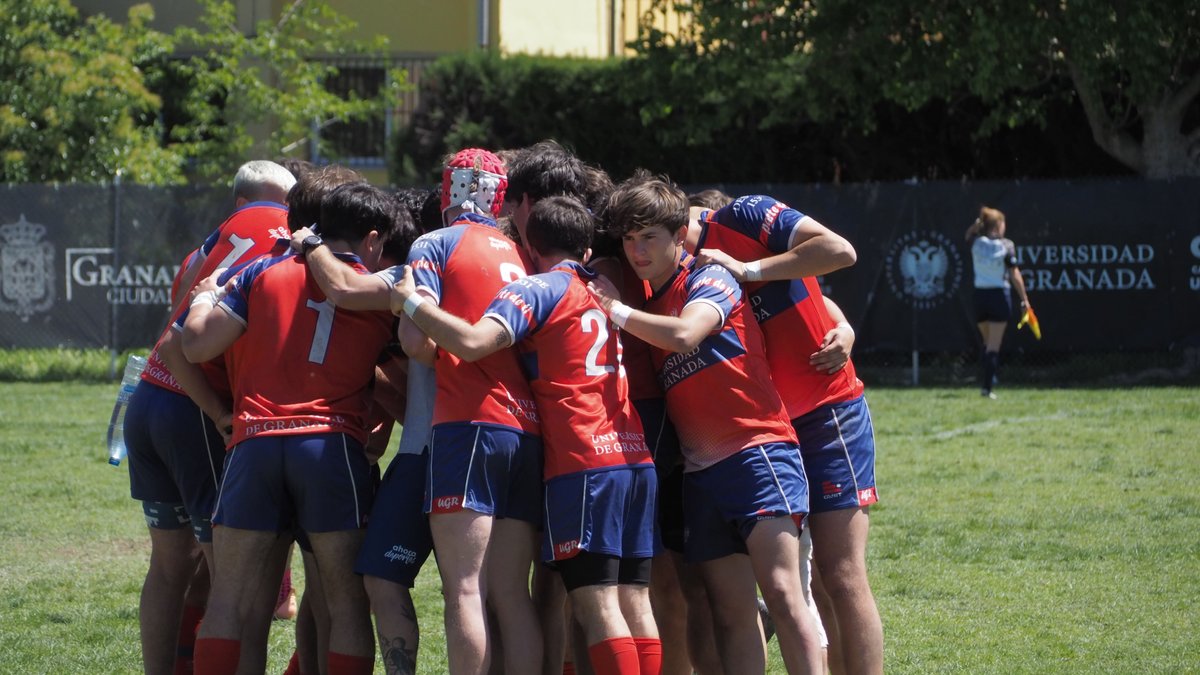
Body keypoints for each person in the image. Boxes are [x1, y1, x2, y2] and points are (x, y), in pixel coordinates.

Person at [291, 148, 543, 675]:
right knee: (507, 593)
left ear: (446, 192)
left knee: (456, 590)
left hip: (448, 439)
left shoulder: (430, 251)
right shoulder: (525, 258)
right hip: (520, 433)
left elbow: (356, 297)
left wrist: (310, 242)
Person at [391, 195, 663, 675]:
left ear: (531, 247)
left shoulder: (541, 287)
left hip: (584, 461)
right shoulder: (600, 286)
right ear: (585, 248)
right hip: (634, 454)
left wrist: (410, 300)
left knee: (596, 605)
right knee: (633, 599)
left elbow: (474, 343)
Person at [591, 174, 825, 674]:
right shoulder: (650, 306)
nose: (637, 250)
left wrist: (614, 309)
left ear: (680, 235)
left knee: (784, 595)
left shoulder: (711, 277)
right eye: (629, 239)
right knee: (730, 614)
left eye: (648, 237)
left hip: (758, 453)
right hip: (701, 474)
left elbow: (684, 334)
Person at [182, 182, 398, 675]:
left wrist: (203, 298)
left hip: (255, 444)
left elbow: (195, 347)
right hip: (330, 447)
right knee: (345, 605)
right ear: (371, 239)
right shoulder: (384, 286)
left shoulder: (260, 270)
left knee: (228, 600)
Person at [688, 194, 882, 675]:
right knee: (801, 581)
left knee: (839, 574)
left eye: (646, 234)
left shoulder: (742, 215)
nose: (637, 250)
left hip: (824, 411)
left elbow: (839, 252)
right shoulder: (665, 265)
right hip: (763, 433)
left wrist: (747, 269)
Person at [123, 159, 294, 675]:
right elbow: (182, 346)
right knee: (232, 576)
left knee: (171, 566)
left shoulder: (214, 239)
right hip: (192, 409)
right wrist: (220, 411)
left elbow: (174, 322)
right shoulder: (281, 235)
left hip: (149, 403)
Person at [965, 206, 1031, 399]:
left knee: (986, 343)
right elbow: (1014, 273)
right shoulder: (1006, 245)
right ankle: (987, 387)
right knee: (993, 345)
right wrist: (1024, 299)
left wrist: (977, 225)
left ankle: (988, 377)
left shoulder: (976, 243)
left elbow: (968, 234)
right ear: (998, 225)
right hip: (998, 296)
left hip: (980, 298)